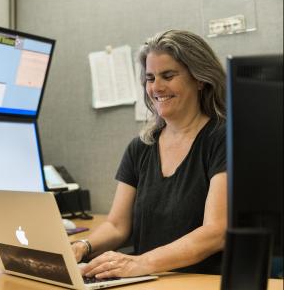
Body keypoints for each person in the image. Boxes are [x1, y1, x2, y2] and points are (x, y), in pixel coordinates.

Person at [72, 29, 227, 278]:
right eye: (150, 78)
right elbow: (117, 225)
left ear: (200, 79)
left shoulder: (223, 139)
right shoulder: (141, 147)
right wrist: (82, 247)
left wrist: (141, 263)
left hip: (202, 280)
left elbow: (216, 232)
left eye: (168, 75)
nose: (156, 87)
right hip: (149, 280)